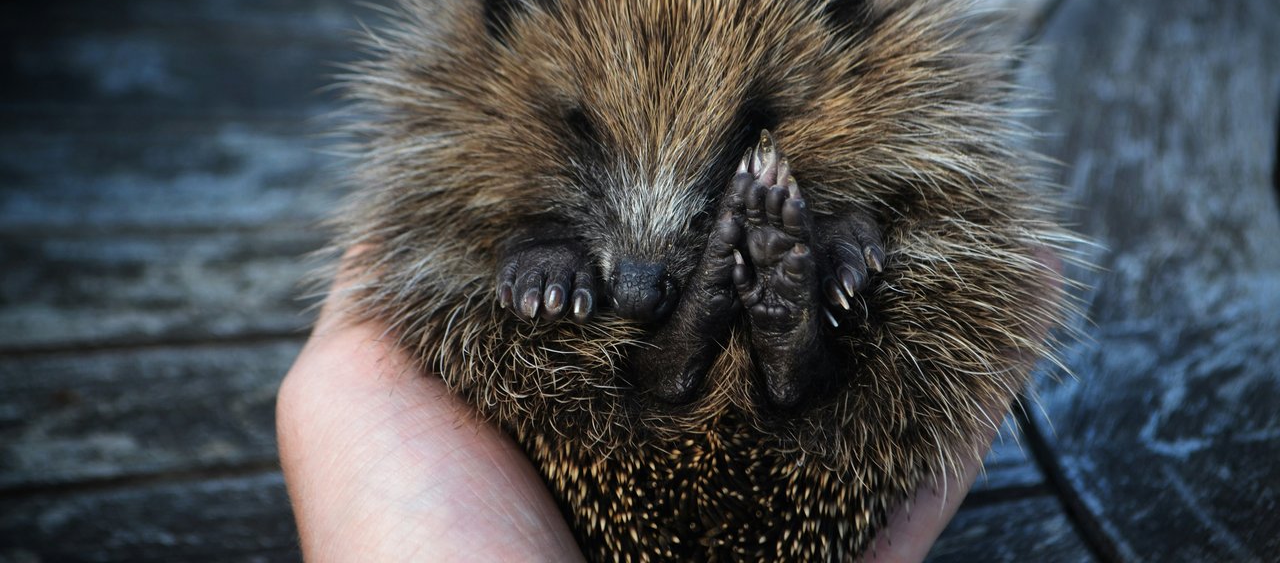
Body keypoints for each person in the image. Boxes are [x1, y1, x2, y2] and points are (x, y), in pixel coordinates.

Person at [278, 264, 1011, 562]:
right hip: (642, 429)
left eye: (749, 125)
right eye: (584, 134)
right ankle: (789, 367)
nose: (642, 263)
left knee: (897, 294)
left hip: (619, 441)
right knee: (518, 327)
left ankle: (704, 362)